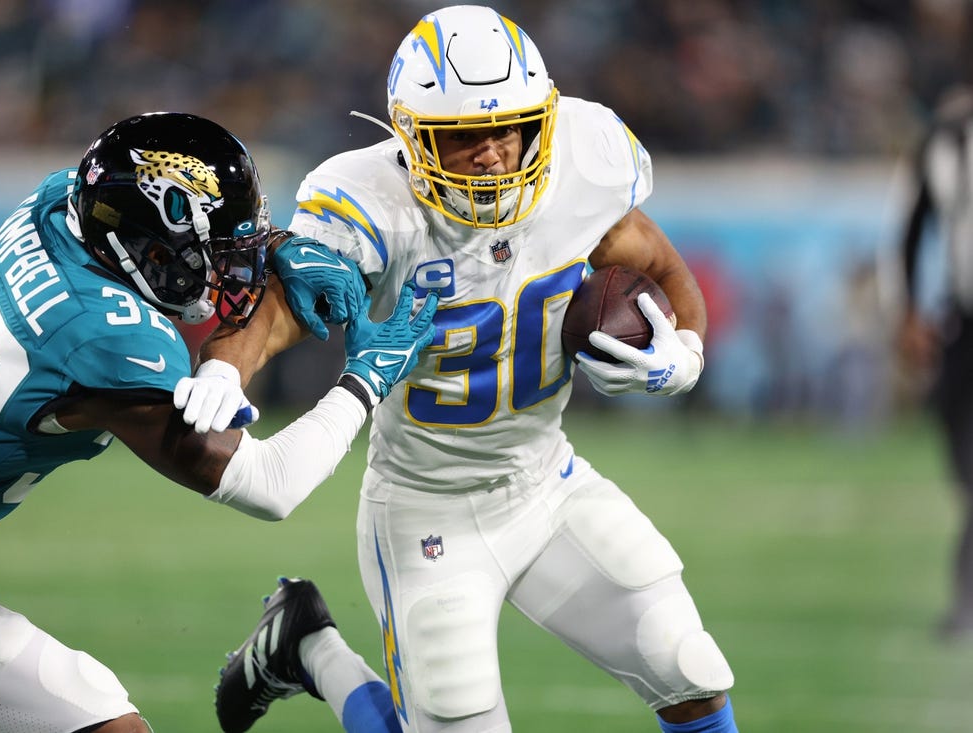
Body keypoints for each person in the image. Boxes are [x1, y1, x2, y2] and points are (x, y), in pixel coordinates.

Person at [198, 5, 740, 732]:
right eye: (461, 136)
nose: (491, 151)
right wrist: (228, 371)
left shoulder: (582, 164)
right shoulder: (369, 204)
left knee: (687, 666)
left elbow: (661, 264)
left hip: (549, 483)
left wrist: (686, 355)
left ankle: (302, 640)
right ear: (412, 139)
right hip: (427, 508)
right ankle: (312, 647)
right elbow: (276, 310)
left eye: (507, 127)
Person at [0, 111, 437, 733]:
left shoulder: (65, 202)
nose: (228, 268)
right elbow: (271, 484)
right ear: (148, 243)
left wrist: (269, 256)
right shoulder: (106, 339)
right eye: (214, 252)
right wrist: (366, 380)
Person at [897, 84, 973, 640]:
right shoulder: (944, 142)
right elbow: (906, 229)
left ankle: (966, 599)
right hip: (961, 326)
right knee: (961, 464)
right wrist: (909, 313)